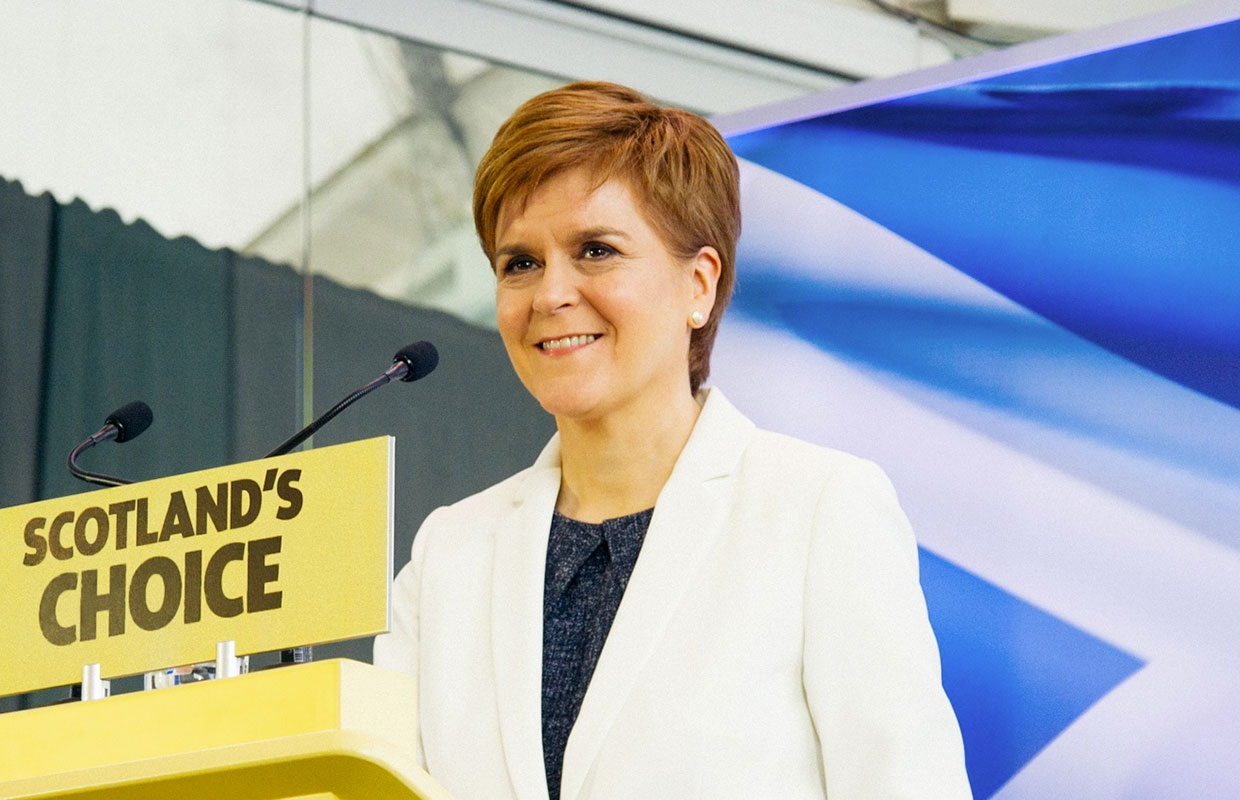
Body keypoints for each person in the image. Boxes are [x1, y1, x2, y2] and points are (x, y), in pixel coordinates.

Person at [373, 81, 972, 800]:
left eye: (595, 250)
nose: (549, 295)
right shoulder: (448, 556)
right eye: (519, 262)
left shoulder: (820, 510)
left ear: (699, 285)